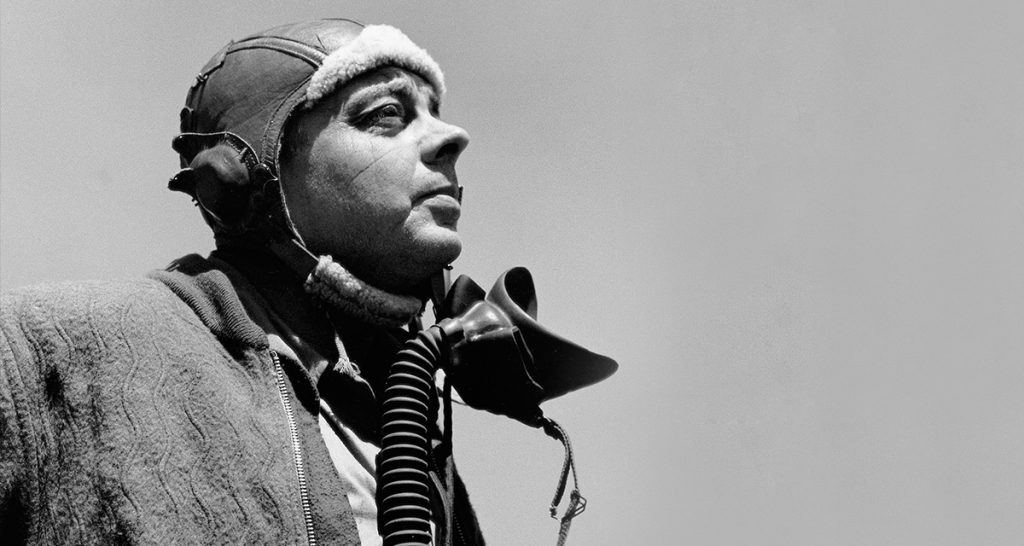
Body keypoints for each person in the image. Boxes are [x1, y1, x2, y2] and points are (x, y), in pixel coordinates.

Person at [0, 19, 486, 545]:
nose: (451, 137)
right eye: (386, 114)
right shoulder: (48, 344)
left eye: (434, 113)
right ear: (239, 176)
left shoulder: (408, 421)